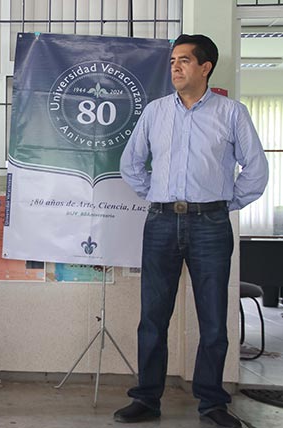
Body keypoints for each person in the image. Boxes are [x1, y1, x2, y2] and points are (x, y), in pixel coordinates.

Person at [116, 34, 268, 428]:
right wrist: (158, 196)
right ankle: (147, 399)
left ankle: (213, 403)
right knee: (153, 317)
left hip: (211, 226)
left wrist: (223, 204)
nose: (176, 67)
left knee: (214, 320)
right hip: (161, 222)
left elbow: (256, 169)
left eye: (184, 61)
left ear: (206, 67)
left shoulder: (231, 113)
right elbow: (131, 162)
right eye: (172, 62)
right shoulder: (155, 112)